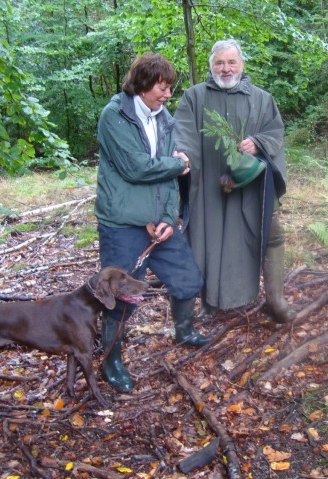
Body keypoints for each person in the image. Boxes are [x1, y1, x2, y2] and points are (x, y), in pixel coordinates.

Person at [95, 53, 210, 393]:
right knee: (120, 294)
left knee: (188, 278)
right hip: (122, 223)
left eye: (170, 88)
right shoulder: (115, 116)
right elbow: (137, 167)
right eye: (162, 88)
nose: (167, 95)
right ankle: (111, 359)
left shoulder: (164, 118)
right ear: (142, 85)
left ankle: (184, 329)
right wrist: (179, 164)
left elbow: (169, 178)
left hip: (158, 222)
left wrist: (168, 219)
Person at [173, 39, 296, 324]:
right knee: (206, 240)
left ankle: (275, 299)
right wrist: (182, 156)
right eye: (219, 62)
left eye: (231, 62)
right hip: (208, 185)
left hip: (252, 185)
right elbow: (183, 133)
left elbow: (275, 133)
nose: (225, 69)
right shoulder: (194, 97)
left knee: (271, 234)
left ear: (242, 65)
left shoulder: (262, 99)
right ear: (211, 66)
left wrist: (257, 142)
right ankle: (210, 302)